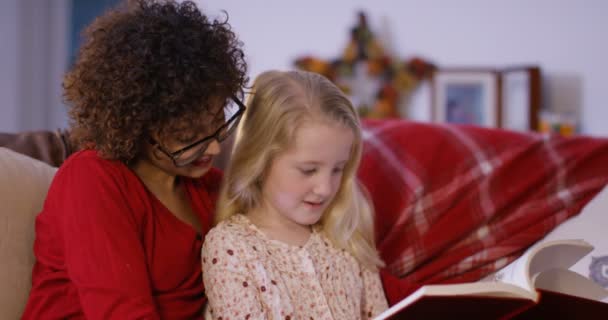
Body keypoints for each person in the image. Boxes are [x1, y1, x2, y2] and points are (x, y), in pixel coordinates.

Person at [22, 0, 247, 319]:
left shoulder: (210, 187)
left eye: (217, 125)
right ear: (136, 124)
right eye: (188, 137)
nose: (212, 149)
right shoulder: (92, 178)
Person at [202, 70, 389, 319]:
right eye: (308, 170)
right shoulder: (231, 247)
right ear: (260, 160)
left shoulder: (347, 237)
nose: (325, 188)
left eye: (338, 169)